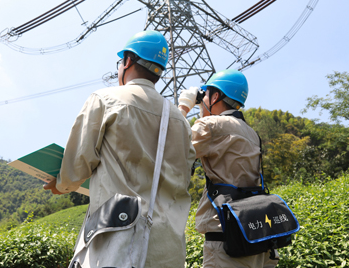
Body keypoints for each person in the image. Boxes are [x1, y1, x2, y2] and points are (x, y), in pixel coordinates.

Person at [45, 30, 196, 268]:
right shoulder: (180, 122)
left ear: (127, 61)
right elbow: (184, 176)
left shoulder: (105, 99)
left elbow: (78, 162)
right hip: (168, 248)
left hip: (117, 241)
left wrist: (62, 185)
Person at [178, 69, 277, 268]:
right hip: (256, 234)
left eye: (206, 94)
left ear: (215, 96)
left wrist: (183, 106)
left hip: (226, 236)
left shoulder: (211, 126)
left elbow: (170, 146)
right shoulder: (251, 133)